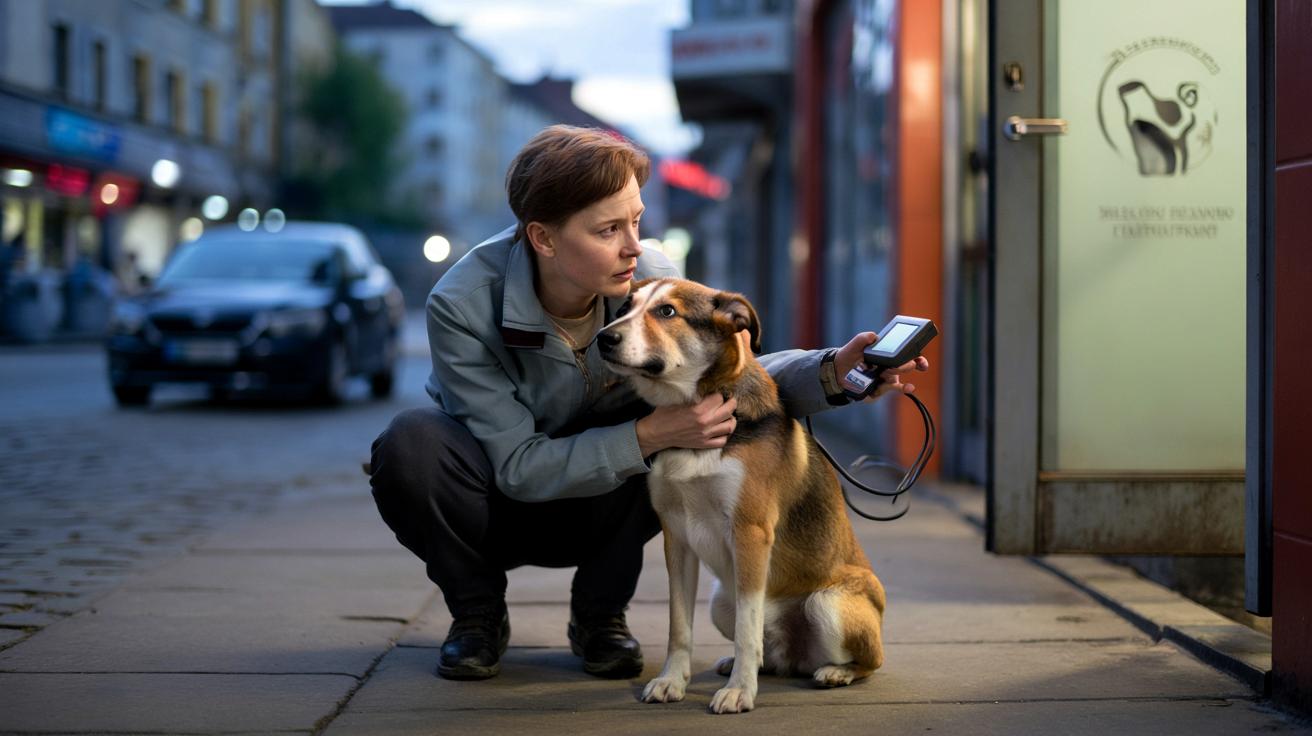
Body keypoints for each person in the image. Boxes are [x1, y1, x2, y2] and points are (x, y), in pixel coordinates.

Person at [368, 125, 929, 682]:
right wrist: (651, 436)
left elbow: (731, 377)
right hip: (500, 505)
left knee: (671, 419)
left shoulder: (650, 280)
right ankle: (477, 614)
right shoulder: (461, 306)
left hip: (608, 504)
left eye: (635, 220)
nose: (634, 246)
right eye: (609, 229)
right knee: (409, 446)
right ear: (543, 239)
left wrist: (836, 373)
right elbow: (517, 466)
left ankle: (600, 617)